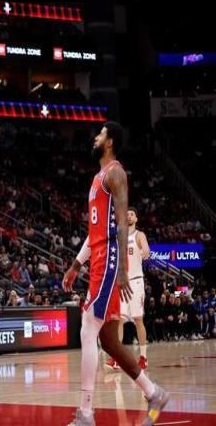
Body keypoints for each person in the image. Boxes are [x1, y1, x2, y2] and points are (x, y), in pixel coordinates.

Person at [63, 122, 169, 425]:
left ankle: (86, 413)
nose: (95, 138)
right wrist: (76, 264)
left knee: (87, 327)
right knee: (108, 340)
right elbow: (95, 230)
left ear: (109, 142)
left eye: (100, 134)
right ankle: (154, 393)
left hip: (109, 259)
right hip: (98, 257)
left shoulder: (116, 173)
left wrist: (121, 267)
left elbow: (122, 223)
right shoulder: (97, 178)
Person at [104, 207, 150, 371]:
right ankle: (117, 359)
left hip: (136, 282)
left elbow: (146, 247)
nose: (129, 216)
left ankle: (143, 358)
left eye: (132, 214)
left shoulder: (139, 235)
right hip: (122, 284)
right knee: (119, 320)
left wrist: (146, 250)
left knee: (138, 320)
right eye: (127, 214)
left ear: (136, 219)